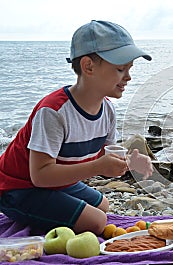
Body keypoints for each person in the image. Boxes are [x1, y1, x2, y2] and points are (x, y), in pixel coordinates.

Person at [0, 20, 154, 235]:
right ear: (88, 66)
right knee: (97, 222)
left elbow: (103, 156)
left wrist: (130, 161)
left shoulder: (107, 110)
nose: (128, 77)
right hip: (17, 187)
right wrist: (97, 167)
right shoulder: (53, 111)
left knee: (103, 205)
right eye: (120, 69)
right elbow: (40, 175)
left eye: (129, 69)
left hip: (56, 183)